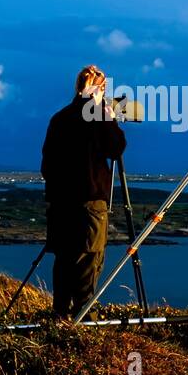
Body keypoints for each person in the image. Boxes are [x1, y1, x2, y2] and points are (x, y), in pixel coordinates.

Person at [40, 64, 127, 319]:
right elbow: (116, 149)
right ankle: (83, 318)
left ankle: (60, 314)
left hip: (60, 205)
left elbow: (47, 165)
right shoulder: (97, 118)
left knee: (65, 260)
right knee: (89, 259)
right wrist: (108, 117)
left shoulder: (59, 119)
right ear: (99, 90)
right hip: (89, 205)